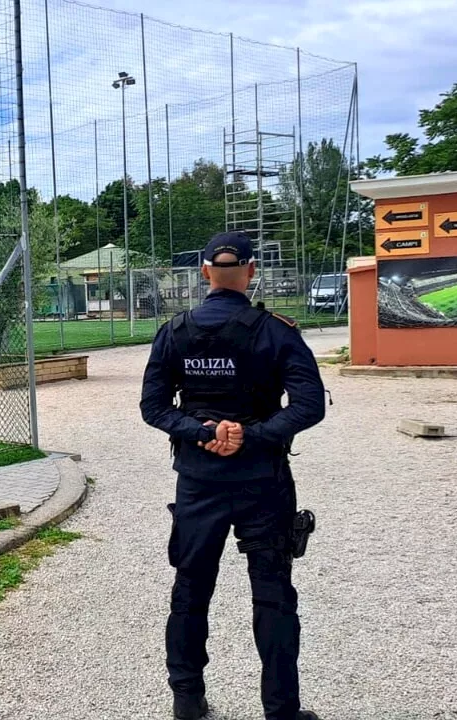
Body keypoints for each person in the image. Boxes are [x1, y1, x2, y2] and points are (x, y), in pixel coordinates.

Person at [139, 231, 326, 720]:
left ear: (203, 273)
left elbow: (153, 407)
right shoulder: (277, 331)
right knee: (274, 596)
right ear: (251, 272)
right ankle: (282, 711)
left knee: (191, 587)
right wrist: (254, 434)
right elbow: (308, 406)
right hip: (261, 479)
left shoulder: (174, 331)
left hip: (198, 480)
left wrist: (199, 432)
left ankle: (187, 699)